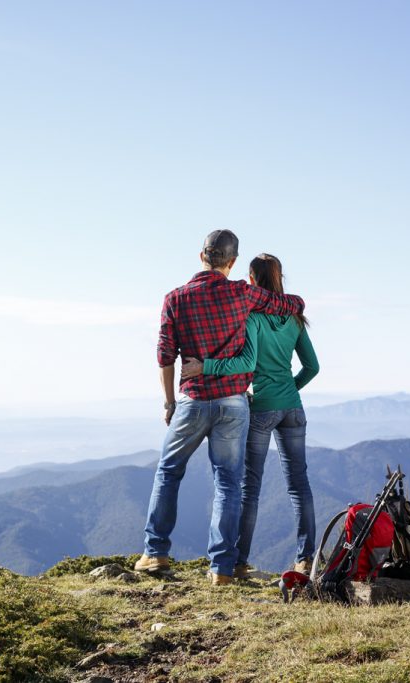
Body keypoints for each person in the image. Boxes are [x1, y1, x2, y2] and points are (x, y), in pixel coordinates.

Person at [136, 232, 305, 586]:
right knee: (228, 483)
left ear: (201, 256)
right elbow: (292, 304)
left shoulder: (175, 299)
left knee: (168, 470)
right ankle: (222, 570)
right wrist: (292, 304)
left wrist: (169, 402)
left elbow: (165, 356)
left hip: (193, 400)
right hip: (234, 402)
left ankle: (155, 553)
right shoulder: (242, 293)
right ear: (232, 262)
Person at [181, 253, 319, 579]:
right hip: (293, 409)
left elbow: (246, 362)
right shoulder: (296, 319)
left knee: (250, 489)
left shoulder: (252, 318)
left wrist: (206, 366)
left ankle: (239, 562)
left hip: (261, 410)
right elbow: (312, 367)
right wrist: (289, 390)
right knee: (300, 486)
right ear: (280, 277)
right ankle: (306, 559)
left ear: (253, 281)